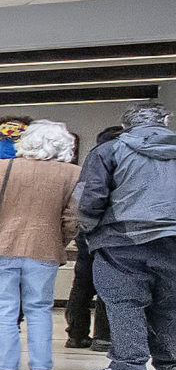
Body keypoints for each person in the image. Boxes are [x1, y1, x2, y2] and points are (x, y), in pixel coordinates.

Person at [0, 120, 82, 370]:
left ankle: (7, 364)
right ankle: (42, 365)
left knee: (2, 308)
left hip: (1, 246)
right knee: (39, 307)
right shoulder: (74, 174)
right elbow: (73, 218)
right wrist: (59, 240)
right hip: (46, 249)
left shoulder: (0, 168)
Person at [76, 102, 176, 370]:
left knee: (124, 302)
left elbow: (89, 197)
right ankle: (171, 365)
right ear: (165, 120)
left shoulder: (108, 150)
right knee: (170, 304)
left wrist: (89, 230)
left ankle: (128, 365)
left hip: (122, 239)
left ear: (128, 124)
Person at [65, 127, 119, 352]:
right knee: (110, 284)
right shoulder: (123, 163)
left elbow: (79, 199)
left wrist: (84, 227)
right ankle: (103, 337)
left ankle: (76, 335)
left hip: (87, 232)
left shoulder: (91, 163)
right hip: (112, 234)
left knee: (82, 285)